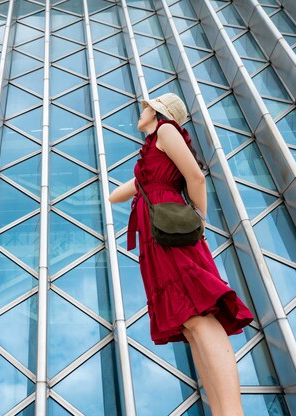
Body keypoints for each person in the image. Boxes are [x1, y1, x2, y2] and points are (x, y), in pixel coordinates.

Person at [108, 92, 254, 416]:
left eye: (147, 106)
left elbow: (196, 177)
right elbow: (117, 194)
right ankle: (220, 410)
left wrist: (200, 222)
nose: (142, 110)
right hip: (157, 238)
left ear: (158, 112)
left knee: (201, 317)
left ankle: (231, 411)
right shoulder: (149, 159)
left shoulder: (166, 131)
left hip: (173, 233)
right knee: (190, 324)